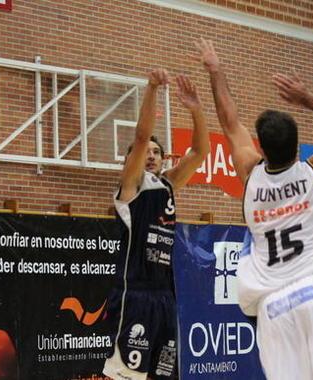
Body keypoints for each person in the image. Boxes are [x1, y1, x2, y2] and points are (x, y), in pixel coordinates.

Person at [195, 39, 313, 379]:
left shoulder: (249, 173)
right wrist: (309, 100)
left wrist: (215, 71)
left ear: (260, 146)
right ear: (299, 143)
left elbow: (230, 121)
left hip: (273, 306)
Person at [104, 69, 209, 380]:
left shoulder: (167, 185)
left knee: (164, 375)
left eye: (156, 152)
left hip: (163, 296)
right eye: (144, 152)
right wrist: (151, 89)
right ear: (131, 161)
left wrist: (196, 109)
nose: (150, 155)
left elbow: (201, 151)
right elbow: (139, 137)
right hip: (134, 294)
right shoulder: (132, 186)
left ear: (164, 159)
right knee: (127, 376)